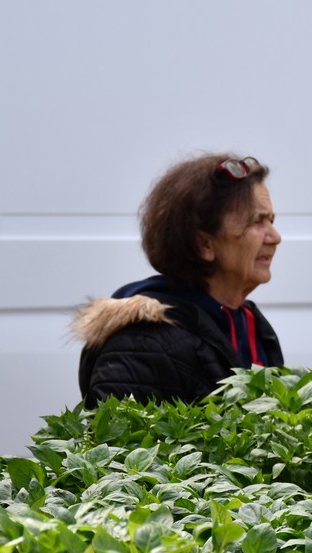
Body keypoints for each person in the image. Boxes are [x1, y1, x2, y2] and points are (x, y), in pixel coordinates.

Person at [73, 153, 284, 408]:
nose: (275, 237)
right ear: (204, 243)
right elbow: (117, 444)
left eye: (271, 220)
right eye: (257, 222)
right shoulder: (142, 343)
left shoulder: (250, 324)